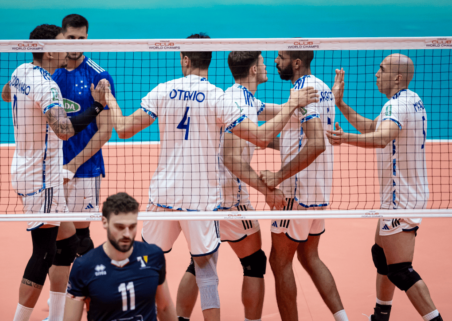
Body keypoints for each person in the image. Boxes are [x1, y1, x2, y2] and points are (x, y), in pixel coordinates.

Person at [102, 33, 318, 321]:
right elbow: (263, 136)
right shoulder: (218, 97)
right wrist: (294, 104)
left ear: (186, 59)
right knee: (205, 270)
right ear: (209, 59)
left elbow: (125, 129)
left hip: (163, 196)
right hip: (200, 201)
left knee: (143, 264)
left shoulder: (164, 89)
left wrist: (108, 98)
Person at [175, 51, 319, 321]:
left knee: (200, 263)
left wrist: (316, 105)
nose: (268, 66)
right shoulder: (239, 102)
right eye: (264, 63)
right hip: (227, 198)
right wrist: (267, 189)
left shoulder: (242, 97)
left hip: (206, 194)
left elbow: (270, 116)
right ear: (254, 69)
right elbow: (232, 158)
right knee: (253, 264)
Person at [327, 54, 443, 321]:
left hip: (400, 199)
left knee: (401, 269)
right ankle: (380, 316)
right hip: (404, 195)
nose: (376, 74)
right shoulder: (408, 100)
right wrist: (341, 104)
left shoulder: (397, 106)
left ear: (397, 77)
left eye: (382, 69)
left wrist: (344, 138)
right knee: (381, 255)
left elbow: (381, 138)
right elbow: (373, 127)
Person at [7, 24, 107, 321]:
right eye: (64, 43)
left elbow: (5, 93)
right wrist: (97, 108)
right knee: (44, 253)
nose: (69, 48)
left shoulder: (21, 71)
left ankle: (58, 317)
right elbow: (63, 131)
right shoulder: (48, 86)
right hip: (42, 180)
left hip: (25, 166)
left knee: (67, 245)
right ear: (49, 50)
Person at [258, 50, 347, 321]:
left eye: (281, 57)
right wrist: (254, 137)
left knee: (279, 262)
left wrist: (278, 177)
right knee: (310, 257)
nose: (275, 61)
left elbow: (317, 143)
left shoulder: (303, 88)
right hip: (318, 189)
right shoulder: (321, 88)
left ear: (296, 63)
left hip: (297, 193)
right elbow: (300, 138)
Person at [55, 13, 115, 258]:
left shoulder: (98, 77)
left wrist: (73, 165)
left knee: (80, 239)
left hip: (85, 169)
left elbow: (106, 130)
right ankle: (60, 294)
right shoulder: (51, 73)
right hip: (53, 167)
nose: (75, 43)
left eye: (81, 38)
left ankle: (84, 292)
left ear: (87, 37)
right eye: (70, 38)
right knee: (55, 239)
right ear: (62, 36)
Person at [64, 192, 177, 321]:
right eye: (120, 227)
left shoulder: (153, 256)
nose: (127, 234)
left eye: (132, 226)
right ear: (104, 222)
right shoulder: (84, 266)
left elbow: (165, 308)